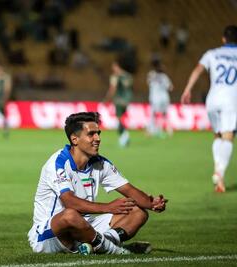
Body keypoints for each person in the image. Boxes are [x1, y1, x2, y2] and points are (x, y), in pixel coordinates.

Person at [28, 112, 167, 255]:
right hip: (49, 235)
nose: (98, 138)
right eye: (91, 134)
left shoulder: (100, 163)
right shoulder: (58, 163)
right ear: (75, 139)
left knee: (137, 212)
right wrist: (108, 207)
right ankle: (116, 251)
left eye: (98, 133)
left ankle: (94, 245)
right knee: (70, 215)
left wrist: (152, 203)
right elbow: (69, 202)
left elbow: (129, 190)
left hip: (85, 227)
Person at [181, 25, 237, 193]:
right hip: (231, 100)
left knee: (217, 135)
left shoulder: (212, 53)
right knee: (228, 136)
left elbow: (198, 69)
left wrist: (187, 89)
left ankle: (217, 168)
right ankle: (219, 173)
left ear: (223, 39)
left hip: (212, 99)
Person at [105, 58, 133, 147]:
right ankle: (124, 135)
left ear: (117, 66)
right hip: (127, 100)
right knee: (122, 118)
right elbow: (130, 87)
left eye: (114, 66)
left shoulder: (115, 76)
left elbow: (113, 88)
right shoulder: (128, 76)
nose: (113, 68)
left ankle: (124, 136)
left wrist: (107, 99)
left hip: (119, 100)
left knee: (119, 118)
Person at [146, 60, 173, 137]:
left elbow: (148, 82)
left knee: (153, 114)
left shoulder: (151, 74)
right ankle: (169, 129)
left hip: (155, 98)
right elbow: (170, 87)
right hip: (164, 98)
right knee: (164, 114)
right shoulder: (164, 77)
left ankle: (151, 130)